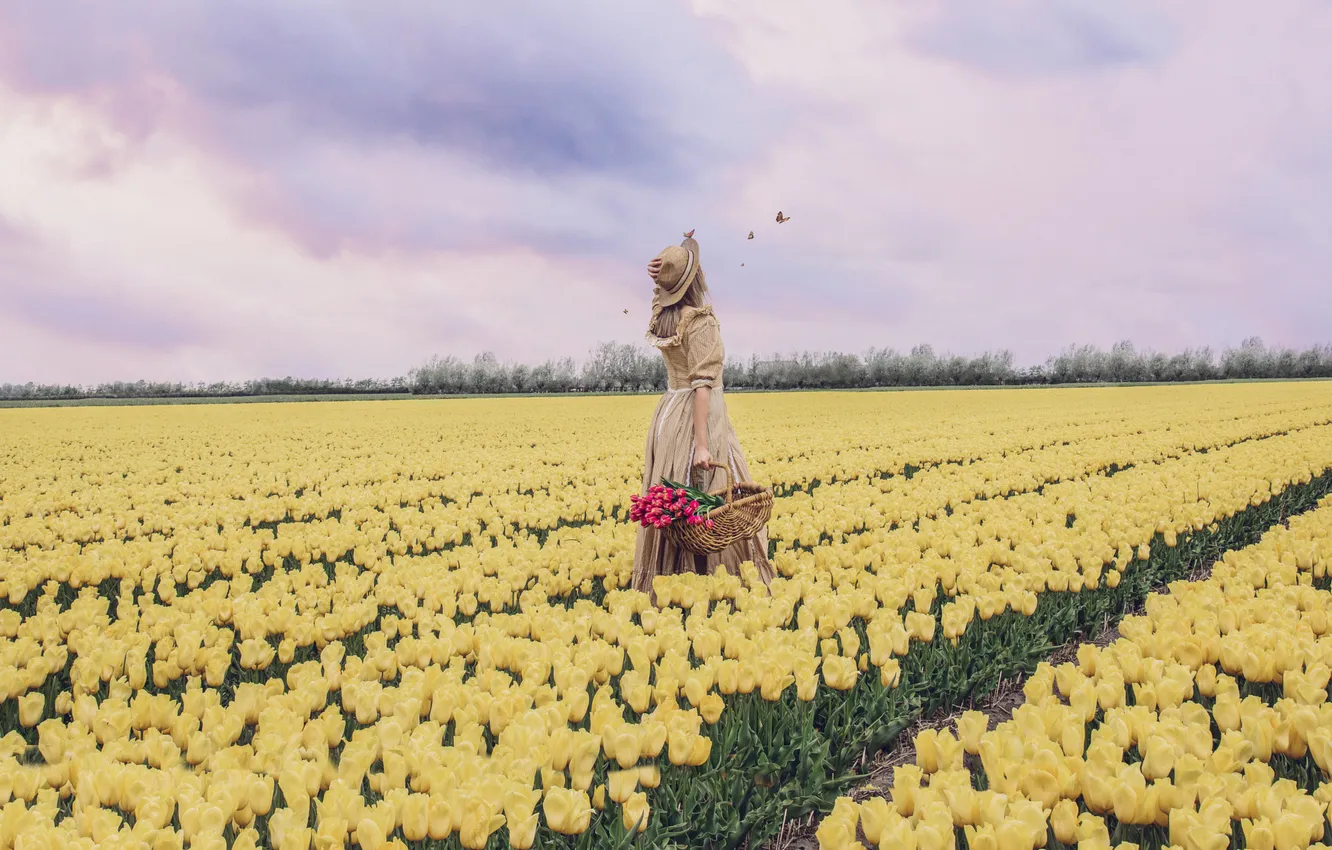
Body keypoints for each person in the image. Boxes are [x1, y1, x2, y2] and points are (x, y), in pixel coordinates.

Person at [631, 233, 775, 601]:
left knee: (675, 493)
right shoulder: (701, 322)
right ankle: (715, 580)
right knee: (708, 487)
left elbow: (663, 297)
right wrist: (701, 443)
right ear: (696, 280)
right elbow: (702, 386)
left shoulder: (665, 318)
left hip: (668, 413)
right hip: (697, 416)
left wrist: (659, 280)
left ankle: (668, 579)